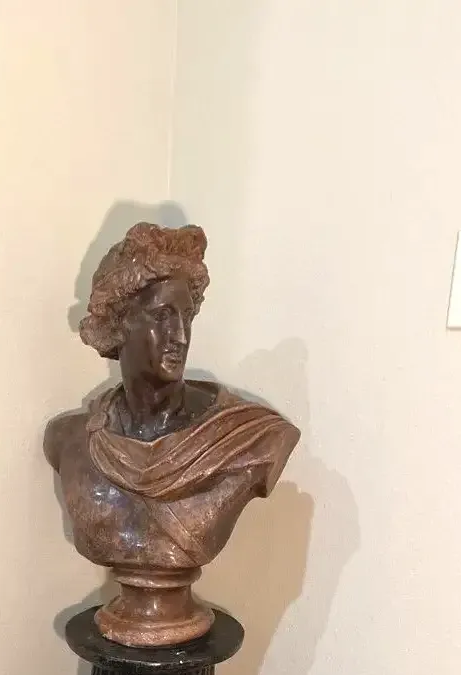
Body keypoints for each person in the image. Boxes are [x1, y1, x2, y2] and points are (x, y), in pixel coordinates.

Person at [44, 221, 300, 643]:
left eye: (186, 317)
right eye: (162, 316)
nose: (180, 336)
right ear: (120, 324)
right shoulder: (70, 440)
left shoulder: (251, 440)